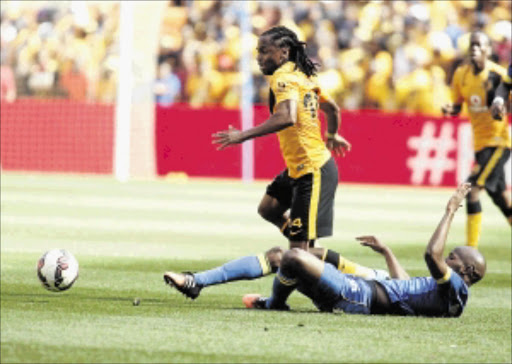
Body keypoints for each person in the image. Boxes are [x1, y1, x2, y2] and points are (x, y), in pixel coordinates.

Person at [243, 183, 486, 318]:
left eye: (453, 257)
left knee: (293, 257)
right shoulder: (448, 295)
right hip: (356, 291)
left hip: (358, 295)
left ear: (468, 270)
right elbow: (404, 285)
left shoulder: (456, 287)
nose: (447, 257)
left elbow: (431, 255)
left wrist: (450, 211)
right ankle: (272, 301)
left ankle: (274, 304)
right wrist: (387, 251)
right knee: (292, 260)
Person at [212, 26, 351, 252]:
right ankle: (307, 248)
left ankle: (339, 268)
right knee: (268, 209)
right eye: (258, 52)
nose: (259, 58)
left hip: (312, 170)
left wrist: (242, 136)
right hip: (300, 168)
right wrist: (332, 134)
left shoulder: (283, 77)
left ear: (284, 51)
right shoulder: (302, 76)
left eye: (265, 51)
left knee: (297, 257)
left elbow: (287, 116)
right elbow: (332, 109)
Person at [442, 32, 512, 248]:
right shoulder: (461, 75)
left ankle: (470, 249)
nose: (474, 49)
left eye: (479, 45)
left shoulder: (498, 75)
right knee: (499, 197)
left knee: (471, 190)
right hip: (480, 145)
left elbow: (508, 103)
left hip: (498, 143)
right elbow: (458, 105)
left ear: (488, 50)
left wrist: (502, 109)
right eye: (471, 45)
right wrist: (449, 109)